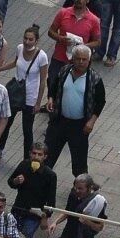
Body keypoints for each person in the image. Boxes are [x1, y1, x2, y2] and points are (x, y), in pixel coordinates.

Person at [44, 45, 105, 178]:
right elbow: (53, 87)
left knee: (79, 163)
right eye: (78, 59)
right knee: (47, 156)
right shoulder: (64, 71)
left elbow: (100, 102)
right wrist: (50, 99)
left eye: (84, 59)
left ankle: (81, 186)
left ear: (89, 60)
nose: (81, 62)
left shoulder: (94, 79)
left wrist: (91, 122)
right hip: (59, 121)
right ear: (73, 58)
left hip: (79, 126)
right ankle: (42, 182)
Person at [0, 26, 48, 160]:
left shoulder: (42, 57)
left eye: (31, 39)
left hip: (30, 98)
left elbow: (43, 81)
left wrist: (38, 103)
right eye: (25, 38)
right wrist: (1, 69)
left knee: (27, 130)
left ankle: (27, 159)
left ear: (36, 41)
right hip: (15, 94)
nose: (27, 42)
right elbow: (15, 63)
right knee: (6, 123)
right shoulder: (19, 48)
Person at [46, 0, 101, 93]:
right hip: (59, 58)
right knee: (52, 85)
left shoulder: (93, 20)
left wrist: (84, 46)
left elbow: (97, 42)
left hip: (79, 63)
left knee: (72, 90)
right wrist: (60, 38)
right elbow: (51, 32)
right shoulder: (63, 13)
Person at [6, 142, 57, 238]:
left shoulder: (50, 175)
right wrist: (16, 181)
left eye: (40, 154)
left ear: (45, 157)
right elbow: (10, 182)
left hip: (34, 215)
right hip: (18, 209)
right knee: (9, 235)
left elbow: (51, 201)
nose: (36, 157)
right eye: (34, 153)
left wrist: (45, 217)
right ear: (30, 153)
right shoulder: (24, 165)